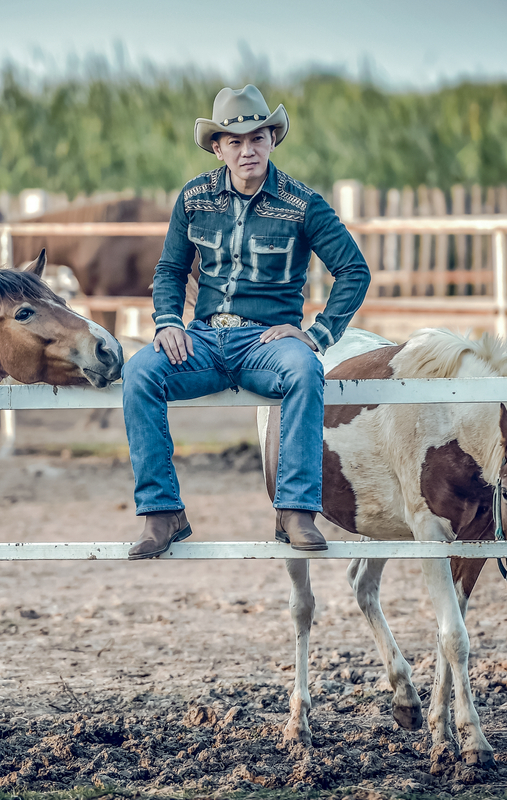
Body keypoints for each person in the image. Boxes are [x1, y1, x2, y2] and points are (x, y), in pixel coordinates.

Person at [122, 84, 370, 559]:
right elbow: (171, 270)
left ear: (272, 140)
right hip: (203, 339)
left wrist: (316, 334)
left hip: (268, 343)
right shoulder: (194, 197)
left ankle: (294, 512)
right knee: (139, 372)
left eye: (257, 138)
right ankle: (162, 513)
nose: (247, 150)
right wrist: (168, 322)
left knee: (303, 369)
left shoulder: (302, 203)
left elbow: (354, 270)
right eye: (234, 141)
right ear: (218, 147)